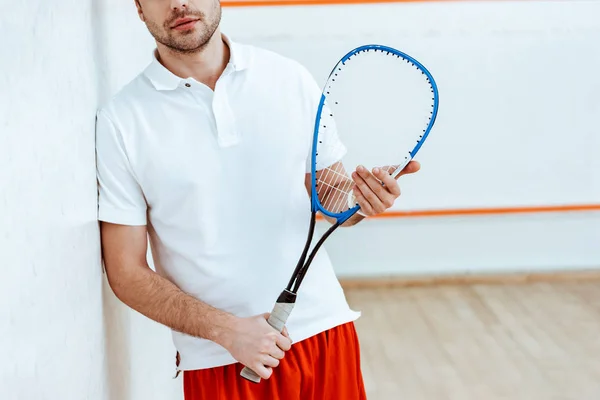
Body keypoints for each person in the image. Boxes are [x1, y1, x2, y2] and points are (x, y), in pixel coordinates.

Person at [95, 0, 420, 398]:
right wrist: (227, 331)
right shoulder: (121, 120)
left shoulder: (288, 77)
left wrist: (362, 199)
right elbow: (125, 272)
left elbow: (332, 196)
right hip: (222, 360)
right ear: (139, 8)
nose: (179, 3)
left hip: (325, 332)